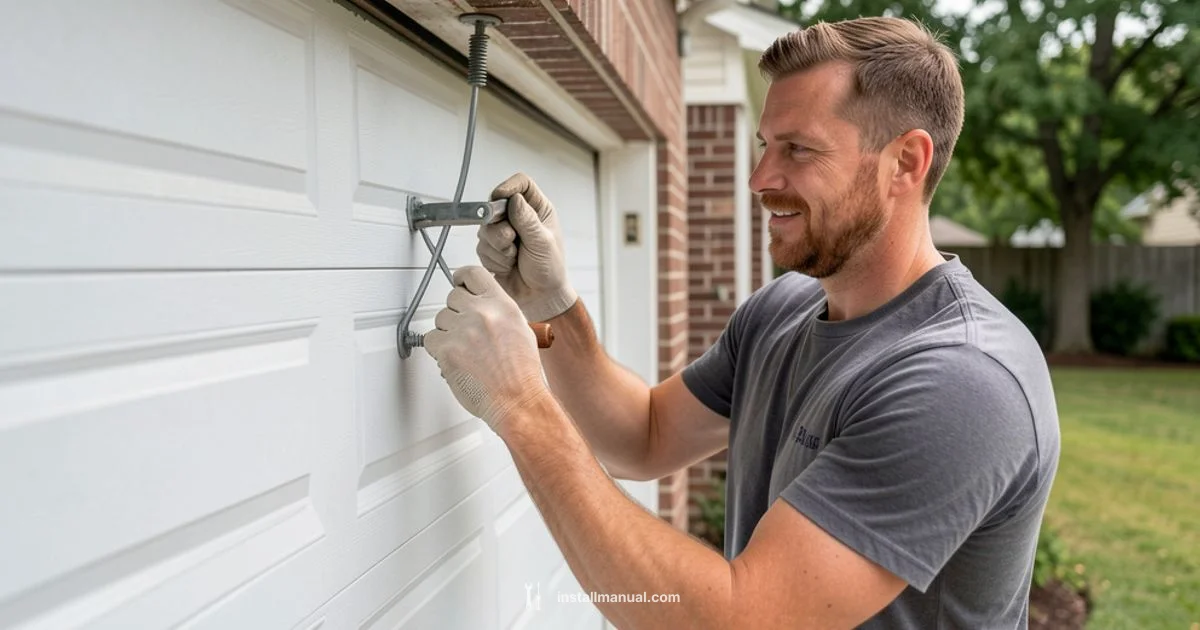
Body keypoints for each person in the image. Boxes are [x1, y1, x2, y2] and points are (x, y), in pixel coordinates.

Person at [424, 15, 1060, 630]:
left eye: (798, 150)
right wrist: (550, 301)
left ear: (906, 163)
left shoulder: (963, 380)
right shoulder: (781, 312)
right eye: (764, 145)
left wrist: (520, 405)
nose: (760, 179)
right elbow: (640, 437)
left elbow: (739, 620)